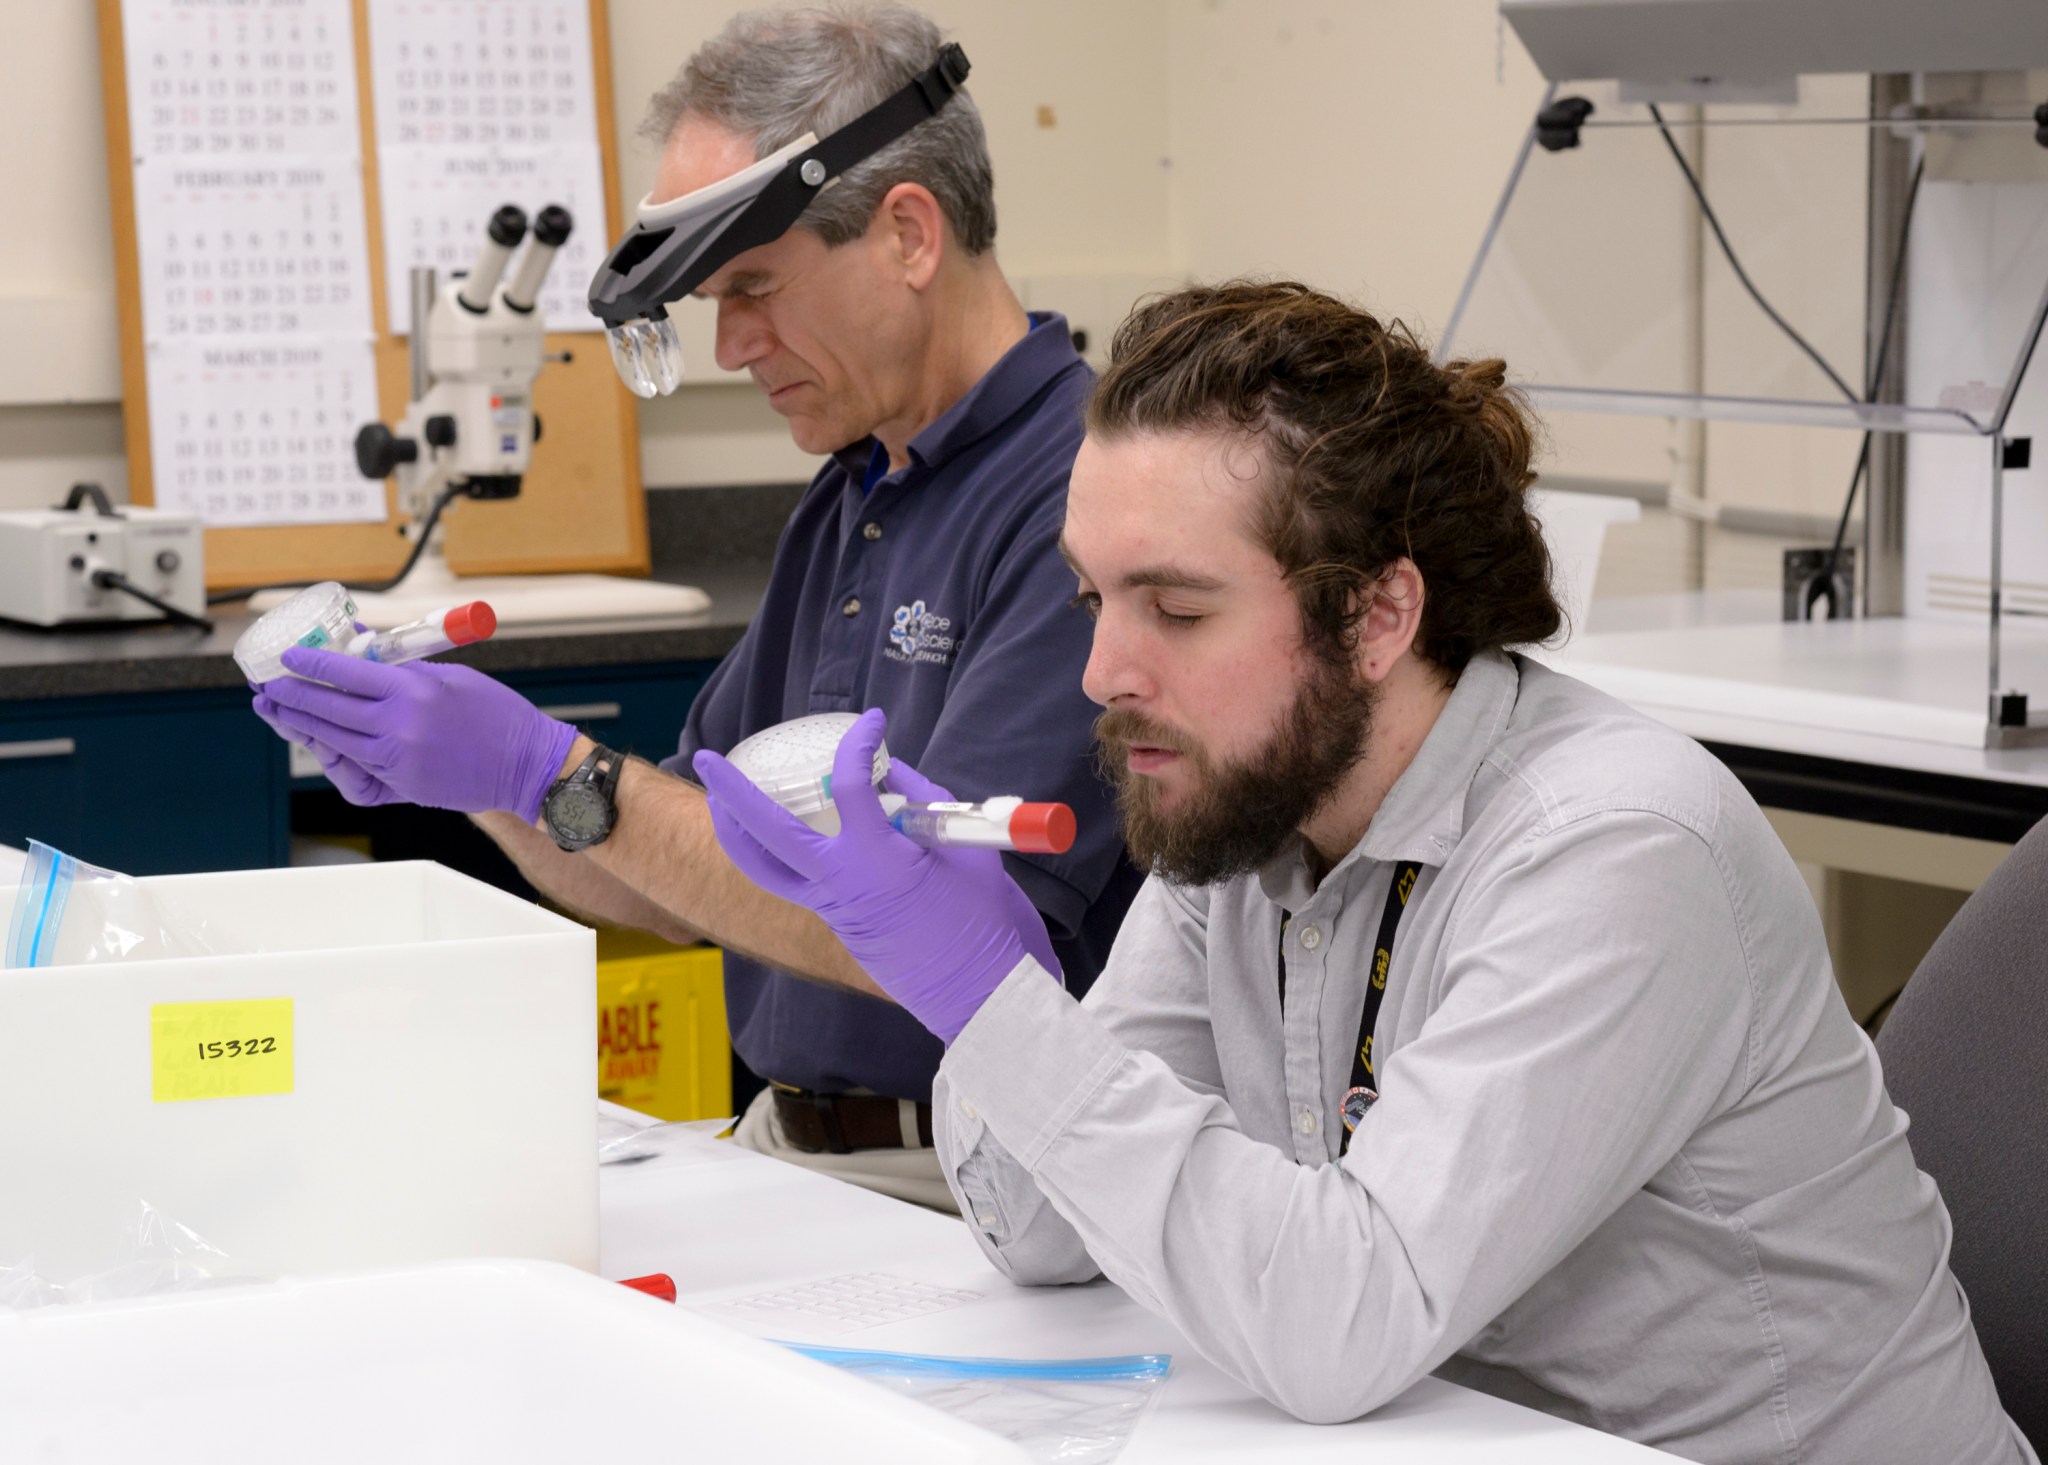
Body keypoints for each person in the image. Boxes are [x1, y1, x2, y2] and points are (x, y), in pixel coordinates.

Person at [690, 282, 2034, 1462]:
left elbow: (1340, 1323)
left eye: (1177, 607)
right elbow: (1039, 1234)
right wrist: (1004, 993)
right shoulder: (1246, 808)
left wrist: (992, 1009)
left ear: (1379, 613)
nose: (1103, 674)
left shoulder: (1615, 850)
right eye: (1094, 599)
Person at [252, 3, 1140, 1211]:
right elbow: (667, 880)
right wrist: (477, 776)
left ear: (909, 234)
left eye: (755, 287)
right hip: (791, 1146)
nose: (730, 346)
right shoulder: (854, 495)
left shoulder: (1083, 504)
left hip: (977, 1185)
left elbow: (925, 938)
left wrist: (546, 767)